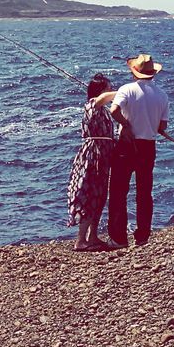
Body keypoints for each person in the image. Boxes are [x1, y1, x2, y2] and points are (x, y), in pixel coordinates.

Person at [107, 53, 173, 247]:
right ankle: (142, 236)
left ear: (134, 72)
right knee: (144, 192)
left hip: (126, 145)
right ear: (153, 74)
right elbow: (163, 126)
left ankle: (119, 238)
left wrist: (126, 125)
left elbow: (113, 111)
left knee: (119, 191)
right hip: (148, 146)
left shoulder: (126, 89)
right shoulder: (162, 95)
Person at [66, 73, 117, 252]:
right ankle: (81, 240)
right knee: (89, 195)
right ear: (101, 91)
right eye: (108, 88)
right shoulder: (92, 105)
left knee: (100, 195)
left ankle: (92, 237)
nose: (111, 90)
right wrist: (124, 92)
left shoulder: (103, 110)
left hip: (103, 156)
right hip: (93, 156)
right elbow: (101, 98)